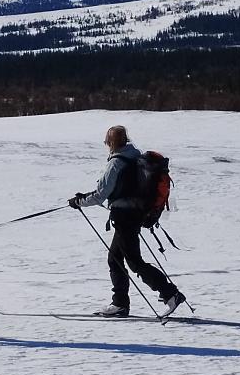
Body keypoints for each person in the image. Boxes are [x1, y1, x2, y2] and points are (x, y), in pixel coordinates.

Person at [70, 124, 185, 318]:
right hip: (135, 213)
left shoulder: (117, 162)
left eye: (107, 141)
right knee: (114, 259)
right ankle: (120, 304)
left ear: (111, 142)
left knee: (134, 261)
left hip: (125, 216)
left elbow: (100, 195)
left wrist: (79, 201)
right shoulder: (135, 156)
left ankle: (170, 293)